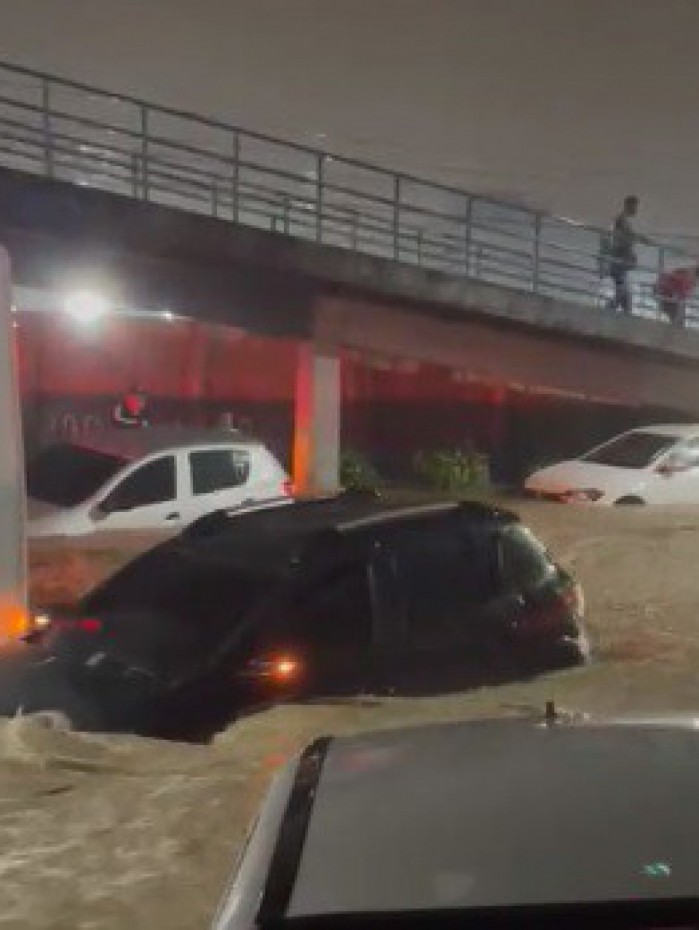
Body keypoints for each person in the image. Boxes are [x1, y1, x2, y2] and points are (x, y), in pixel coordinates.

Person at [606, 195, 642, 314]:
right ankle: (607, 311)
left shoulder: (623, 221)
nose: (636, 210)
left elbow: (628, 238)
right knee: (622, 292)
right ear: (628, 206)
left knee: (625, 295)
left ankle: (623, 313)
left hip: (621, 264)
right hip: (619, 264)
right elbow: (621, 241)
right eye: (634, 207)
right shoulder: (620, 220)